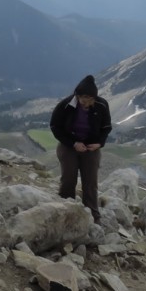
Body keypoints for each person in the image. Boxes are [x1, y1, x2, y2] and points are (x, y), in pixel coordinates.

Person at [50, 75, 112, 223]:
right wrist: (73, 143)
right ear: (77, 96)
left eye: (91, 99)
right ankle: (66, 210)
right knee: (68, 179)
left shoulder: (102, 105)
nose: (88, 103)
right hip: (68, 145)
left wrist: (99, 143)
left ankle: (93, 216)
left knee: (90, 181)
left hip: (91, 148)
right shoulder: (65, 105)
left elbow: (106, 127)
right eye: (84, 99)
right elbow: (55, 127)